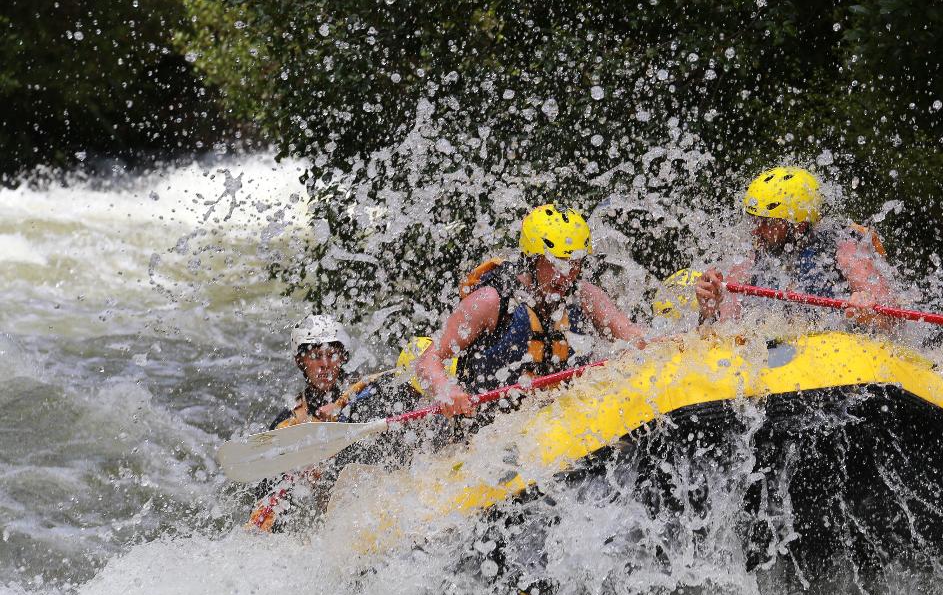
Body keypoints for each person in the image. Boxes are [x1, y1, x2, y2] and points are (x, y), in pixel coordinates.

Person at [414, 202, 645, 418]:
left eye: (574, 263)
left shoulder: (584, 294)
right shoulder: (490, 301)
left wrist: (647, 343)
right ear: (532, 260)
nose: (566, 274)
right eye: (556, 262)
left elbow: (628, 331)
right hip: (490, 426)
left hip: (555, 421)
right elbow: (428, 360)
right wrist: (446, 390)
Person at [247, 315, 408, 531]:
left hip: (381, 498)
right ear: (300, 361)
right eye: (315, 356)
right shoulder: (289, 423)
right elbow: (268, 490)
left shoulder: (365, 392)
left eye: (332, 355)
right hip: (336, 518)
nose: (324, 365)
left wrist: (340, 408)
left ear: (343, 357)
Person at [694, 166, 897, 327]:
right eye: (754, 220)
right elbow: (727, 329)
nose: (757, 230)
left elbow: (893, 319)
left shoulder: (845, 249)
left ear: (798, 225)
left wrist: (869, 310)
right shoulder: (749, 261)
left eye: (768, 222)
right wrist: (709, 310)